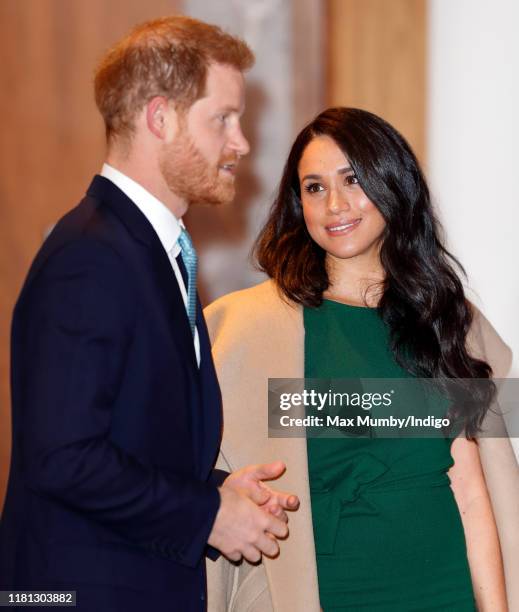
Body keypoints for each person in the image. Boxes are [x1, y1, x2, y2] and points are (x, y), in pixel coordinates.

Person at [0, 16, 299, 612]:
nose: (241, 143)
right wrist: (206, 515)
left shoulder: (146, 248)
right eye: (223, 119)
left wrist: (214, 491)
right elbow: (62, 457)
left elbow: (131, 441)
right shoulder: (90, 255)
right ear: (160, 118)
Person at [205, 107, 519, 611]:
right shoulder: (246, 329)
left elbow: (471, 489)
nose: (335, 205)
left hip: (444, 589)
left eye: (353, 180)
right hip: (328, 591)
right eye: (314, 187)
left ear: (393, 184)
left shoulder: (447, 319)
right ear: (296, 203)